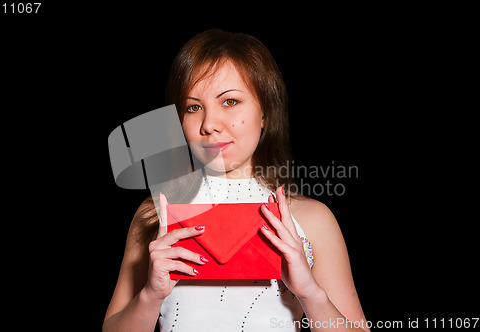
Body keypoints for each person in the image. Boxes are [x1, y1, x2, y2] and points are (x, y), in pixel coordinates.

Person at [103, 29, 369, 332]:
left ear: (266, 112)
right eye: (193, 107)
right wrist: (151, 296)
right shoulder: (154, 214)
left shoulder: (312, 219)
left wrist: (309, 293)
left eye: (230, 102)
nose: (209, 125)